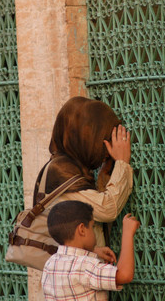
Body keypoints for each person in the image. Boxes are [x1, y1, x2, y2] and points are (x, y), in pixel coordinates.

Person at [35, 96, 133, 248]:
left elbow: (88, 207)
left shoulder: (69, 166)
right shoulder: (62, 172)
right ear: (85, 137)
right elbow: (107, 209)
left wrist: (105, 173)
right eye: (102, 140)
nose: (107, 150)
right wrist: (122, 162)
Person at [42, 200, 141, 301]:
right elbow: (124, 274)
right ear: (82, 229)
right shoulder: (86, 266)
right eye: (92, 227)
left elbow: (72, 262)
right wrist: (128, 234)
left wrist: (93, 251)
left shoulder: (50, 263)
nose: (94, 233)